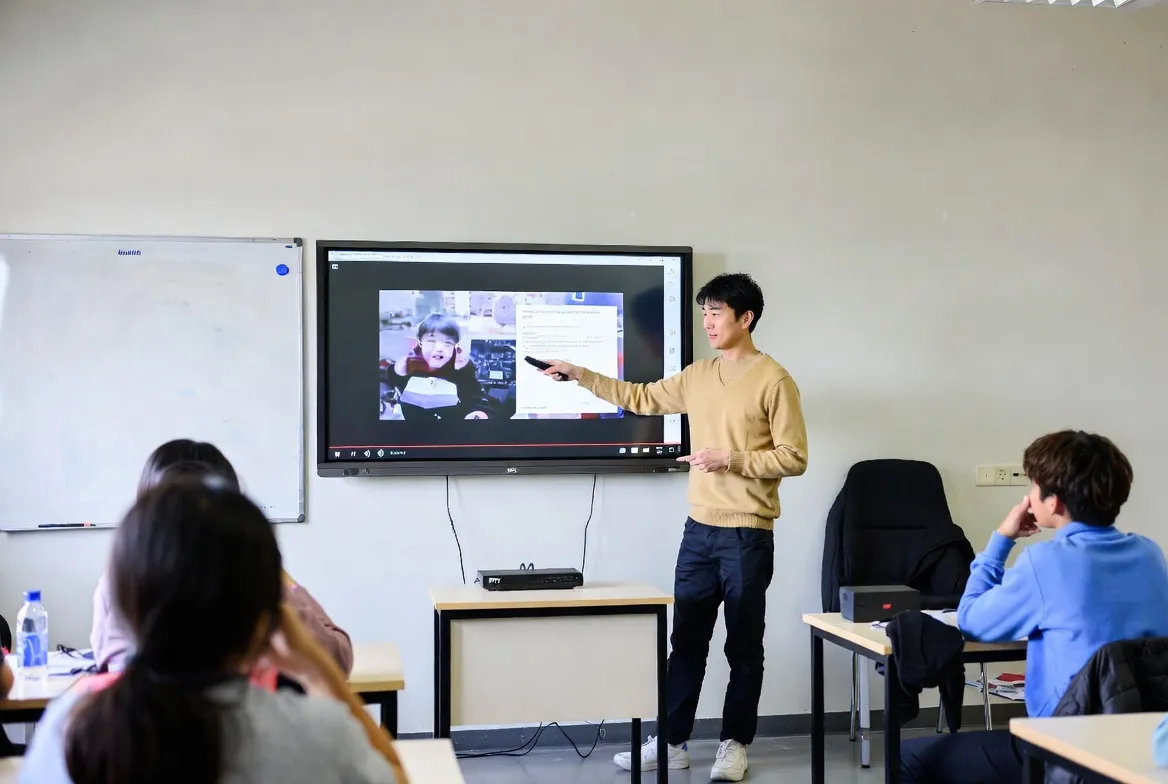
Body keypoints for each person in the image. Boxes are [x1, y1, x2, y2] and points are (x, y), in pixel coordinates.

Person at [542, 273, 808, 782]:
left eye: (716, 312)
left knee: (743, 646)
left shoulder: (775, 380)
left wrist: (728, 459)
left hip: (749, 533)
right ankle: (673, 741)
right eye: (704, 311)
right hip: (699, 530)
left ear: (745, 317)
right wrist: (578, 373)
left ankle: (734, 744)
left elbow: (793, 457)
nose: (708, 321)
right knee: (686, 640)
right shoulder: (698, 374)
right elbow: (640, 397)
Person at [20, 479, 404, 784]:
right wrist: (316, 670)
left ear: (122, 605)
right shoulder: (318, 736)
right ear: (264, 622)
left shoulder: (69, 728)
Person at [901, 430, 1168, 783]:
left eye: (1032, 485)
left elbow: (971, 620)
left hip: (1064, 750)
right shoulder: (1150, 554)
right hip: (1142, 747)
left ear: (1053, 502)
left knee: (906, 758)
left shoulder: (1047, 562)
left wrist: (1002, 539)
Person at [91, 440, 354, 676]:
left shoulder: (119, 583)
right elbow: (337, 658)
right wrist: (277, 576)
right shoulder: (249, 577)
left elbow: (112, 668)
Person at [385, 314, 488, 420]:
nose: (439, 348)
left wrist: (477, 413)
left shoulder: (462, 368)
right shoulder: (408, 365)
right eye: (431, 341)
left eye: (448, 342)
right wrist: (396, 371)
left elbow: (476, 398)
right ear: (420, 342)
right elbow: (391, 382)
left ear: (455, 346)